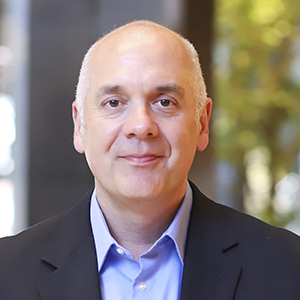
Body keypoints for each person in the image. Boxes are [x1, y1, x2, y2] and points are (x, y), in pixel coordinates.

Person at [1, 20, 300, 300]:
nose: (141, 125)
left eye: (165, 102)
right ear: (80, 126)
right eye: (114, 103)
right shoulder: (7, 274)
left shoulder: (289, 268)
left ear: (203, 123)